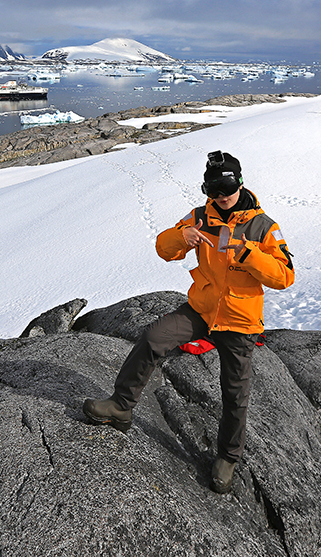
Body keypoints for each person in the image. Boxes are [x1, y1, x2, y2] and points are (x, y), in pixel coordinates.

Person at [82, 151, 295, 494]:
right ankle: (121, 406)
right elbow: (163, 248)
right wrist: (183, 238)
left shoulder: (263, 226)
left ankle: (227, 457)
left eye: (226, 188)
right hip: (201, 310)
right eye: (214, 190)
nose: (221, 197)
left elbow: (285, 275)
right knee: (153, 339)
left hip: (239, 322)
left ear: (239, 183)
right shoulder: (199, 217)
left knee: (235, 393)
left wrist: (251, 255)